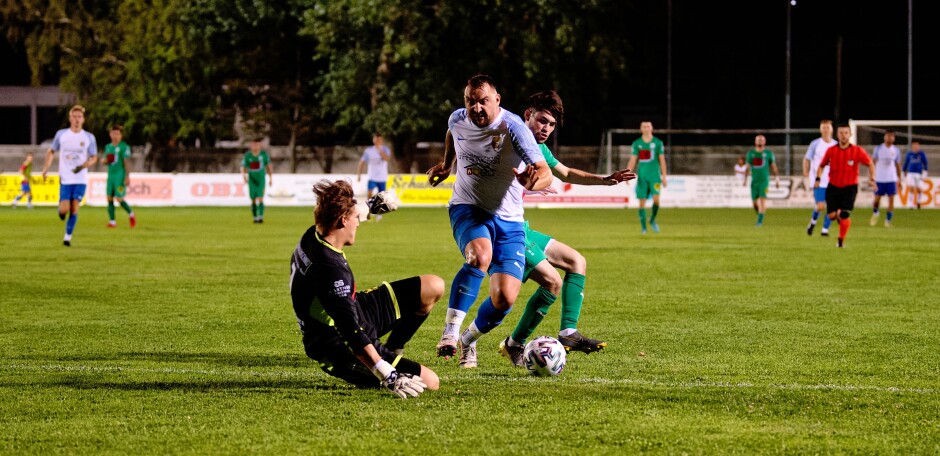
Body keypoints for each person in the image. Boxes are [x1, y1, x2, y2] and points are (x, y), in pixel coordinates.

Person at [496, 90, 635, 366]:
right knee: (551, 283)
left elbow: (567, 173)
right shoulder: (508, 138)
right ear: (528, 115)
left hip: (520, 226)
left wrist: (606, 180)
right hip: (502, 229)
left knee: (576, 261)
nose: (546, 128)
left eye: (551, 124)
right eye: (542, 121)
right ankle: (476, 341)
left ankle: (567, 332)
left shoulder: (539, 150)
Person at [426, 74, 552, 368]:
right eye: (471, 101)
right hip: (467, 207)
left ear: (497, 100)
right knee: (479, 255)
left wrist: (532, 182)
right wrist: (447, 165)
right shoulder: (457, 119)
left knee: (505, 298)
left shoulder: (514, 128)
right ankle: (451, 331)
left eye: (483, 101)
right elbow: (451, 133)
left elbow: (544, 171)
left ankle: (468, 340)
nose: (477, 108)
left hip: (509, 221)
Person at [289, 179, 440, 398]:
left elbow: (353, 211)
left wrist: (372, 205)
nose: (358, 223)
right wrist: (386, 373)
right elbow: (350, 332)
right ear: (342, 220)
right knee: (431, 382)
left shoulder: (314, 234)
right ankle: (383, 359)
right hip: (336, 345)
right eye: (355, 219)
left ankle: (394, 348)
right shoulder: (330, 271)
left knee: (432, 286)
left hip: (354, 309)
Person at [41, 105, 98, 247]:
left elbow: (94, 157)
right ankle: (60, 211)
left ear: (83, 119)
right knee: (64, 210)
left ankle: (67, 237)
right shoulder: (62, 135)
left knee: (74, 208)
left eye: (79, 117)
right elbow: (51, 151)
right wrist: (46, 168)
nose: (77, 119)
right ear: (70, 118)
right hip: (66, 178)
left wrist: (85, 165)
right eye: (74, 116)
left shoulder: (88, 137)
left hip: (80, 179)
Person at [815, 124, 875, 248]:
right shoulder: (831, 151)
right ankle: (840, 217)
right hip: (833, 186)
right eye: (841, 133)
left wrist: (872, 178)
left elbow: (870, 163)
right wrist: (818, 178)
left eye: (846, 133)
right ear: (837, 135)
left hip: (850, 187)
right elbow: (821, 165)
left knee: (844, 214)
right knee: (831, 216)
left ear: (850, 134)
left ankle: (841, 240)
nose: (843, 135)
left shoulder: (857, 151)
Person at [626, 121, 667, 234]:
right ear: (641, 129)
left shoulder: (658, 143)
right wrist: (627, 174)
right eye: (644, 126)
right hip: (642, 177)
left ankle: (652, 219)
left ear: (652, 128)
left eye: (648, 126)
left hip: (655, 177)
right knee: (642, 203)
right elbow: (633, 160)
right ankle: (644, 228)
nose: (647, 128)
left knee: (656, 201)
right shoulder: (637, 143)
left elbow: (662, 160)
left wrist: (664, 176)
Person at [803, 120, 837, 236]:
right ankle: (813, 223)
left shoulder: (836, 145)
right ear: (820, 129)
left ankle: (825, 230)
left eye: (828, 127)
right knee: (821, 206)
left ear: (832, 129)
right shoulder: (815, 143)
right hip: (819, 180)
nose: (826, 130)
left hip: (834, 181)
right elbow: (807, 159)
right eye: (824, 127)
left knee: (833, 208)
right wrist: (806, 173)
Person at [743, 134, 780, 227]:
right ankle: (760, 214)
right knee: (754, 203)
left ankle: (759, 222)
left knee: (762, 200)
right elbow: (747, 167)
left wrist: (777, 179)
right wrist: (745, 179)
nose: (760, 141)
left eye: (761, 140)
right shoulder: (751, 154)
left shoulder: (768, 154)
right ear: (755, 142)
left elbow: (774, 167)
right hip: (754, 181)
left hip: (764, 181)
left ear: (764, 142)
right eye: (758, 140)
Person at [103, 125, 136, 228]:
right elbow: (105, 161)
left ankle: (131, 214)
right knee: (109, 198)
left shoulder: (124, 147)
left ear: (121, 135)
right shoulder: (108, 147)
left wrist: (127, 176)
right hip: (110, 176)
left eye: (117, 134)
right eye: (113, 133)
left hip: (119, 176)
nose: (115, 136)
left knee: (119, 198)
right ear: (110, 134)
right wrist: (105, 161)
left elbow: (126, 162)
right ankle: (112, 221)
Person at [869, 130, 903, 227]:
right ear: (884, 137)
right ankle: (876, 212)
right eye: (888, 136)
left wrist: (899, 179)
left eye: (892, 136)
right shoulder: (878, 149)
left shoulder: (896, 150)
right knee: (876, 201)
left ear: (894, 138)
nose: (890, 138)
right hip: (879, 179)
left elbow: (898, 165)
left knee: (891, 200)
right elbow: (872, 163)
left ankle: (888, 221)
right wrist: (871, 177)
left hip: (891, 179)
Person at [357, 133, 391, 221]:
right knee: (369, 193)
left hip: (382, 177)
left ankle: (379, 213)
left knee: (381, 196)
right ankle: (368, 211)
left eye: (379, 140)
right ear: (373, 140)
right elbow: (362, 162)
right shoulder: (368, 151)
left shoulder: (385, 149)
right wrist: (359, 174)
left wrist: (380, 151)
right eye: (376, 139)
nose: (377, 141)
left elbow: (387, 158)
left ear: (382, 140)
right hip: (372, 176)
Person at [240, 138, 273, 223]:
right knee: (253, 199)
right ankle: (255, 217)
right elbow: (243, 166)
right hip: (252, 180)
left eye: (257, 144)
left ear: (259, 145)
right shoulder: (248, 155)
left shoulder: (263, 155)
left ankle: (260, 217)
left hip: (261, 179)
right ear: (251, 145)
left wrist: (270, 178)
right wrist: (244, 176)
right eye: (254, 144)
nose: (255, 146)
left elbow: (268, 166)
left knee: (260, 198)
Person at [902, 141, 928, 209]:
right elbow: (906, 163)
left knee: (919, 188)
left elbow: (925, 163)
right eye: (914, 145)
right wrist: (903, 171)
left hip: (918, 174)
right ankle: (910, 204)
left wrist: (925, 172)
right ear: (912, 146)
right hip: (910, 173)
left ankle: (918, 202)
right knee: (911, 188)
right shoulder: (909, 154)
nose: (916, 147)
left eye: (917, 145)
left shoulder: (921, 154)